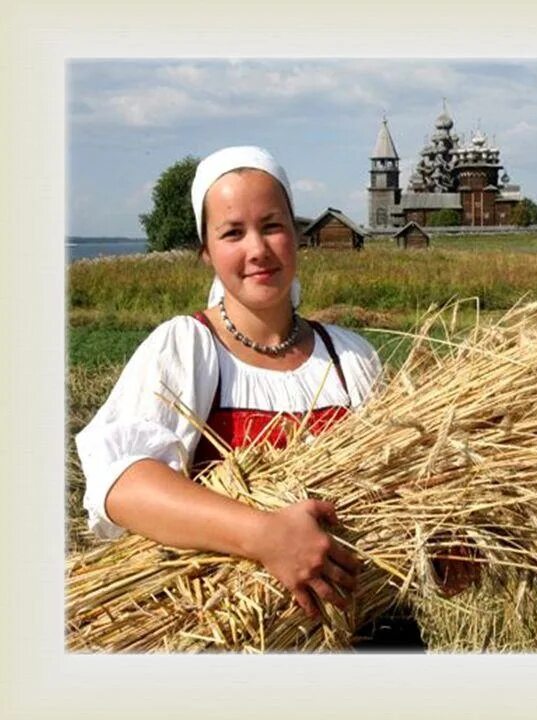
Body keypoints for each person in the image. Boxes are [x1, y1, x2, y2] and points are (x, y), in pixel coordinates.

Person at [76, 146, 379, 620]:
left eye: (272, 226)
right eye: (232, 233)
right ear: (206, 251)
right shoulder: (187, 347)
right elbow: (121, 485)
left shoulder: (350, 356)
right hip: (246, 646)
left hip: (367, 631)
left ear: (297, 236)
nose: (257, 249)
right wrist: (264, 536)